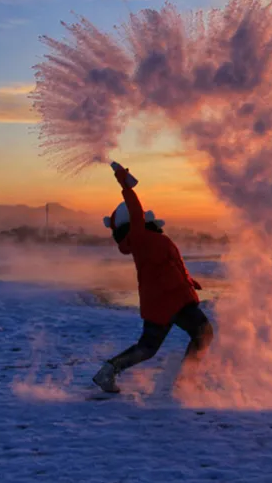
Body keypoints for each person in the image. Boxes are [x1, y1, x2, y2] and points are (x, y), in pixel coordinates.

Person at [92, 164, 214, 393]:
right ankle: (186, 382)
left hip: (164, 297)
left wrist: (189, 281)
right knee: (203, 332)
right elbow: (136, 211)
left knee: (148, 347)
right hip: (169, 297)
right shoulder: (139, 237)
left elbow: (170, 263)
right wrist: (124, 182)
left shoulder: (149, 239)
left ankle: (108, 371)